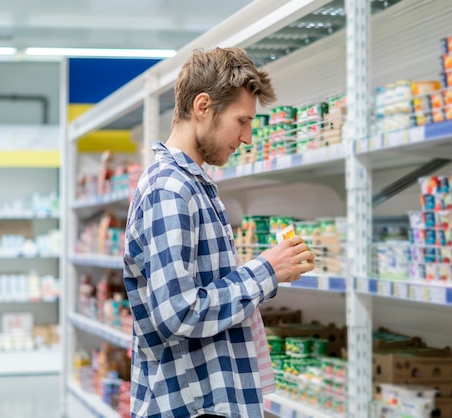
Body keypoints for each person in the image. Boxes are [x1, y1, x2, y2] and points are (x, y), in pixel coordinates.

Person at [123, 47, 316, 418]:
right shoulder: (170, 189)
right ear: (202, 106)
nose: (246, 136)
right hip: (189, 406)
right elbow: (178, 313)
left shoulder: (194, 185)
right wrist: (266, 271)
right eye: (241, 120)